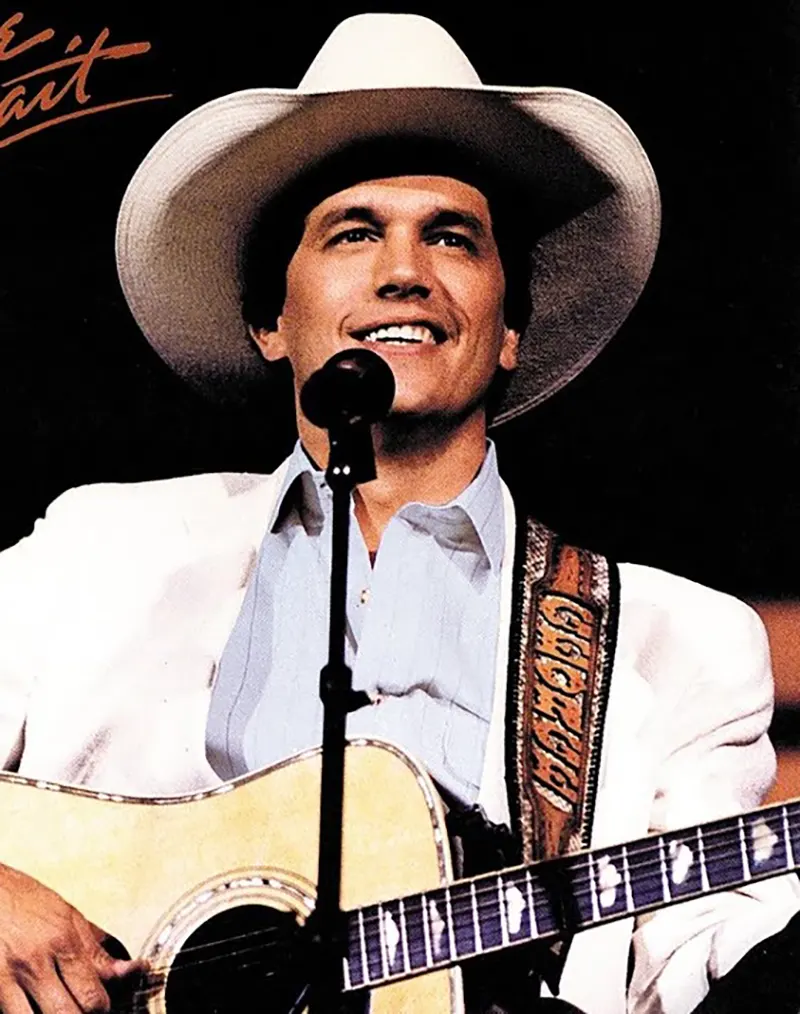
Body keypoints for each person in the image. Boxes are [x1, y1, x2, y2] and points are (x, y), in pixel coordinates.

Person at [0, 13, 797, 1014]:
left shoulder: (677, 643)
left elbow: (700, 955)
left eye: (452, 237)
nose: (405, 271)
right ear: (270, 321)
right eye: (354, 232)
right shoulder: (98, 553)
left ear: (509, 331)